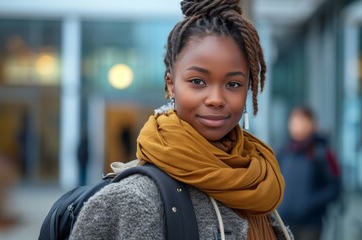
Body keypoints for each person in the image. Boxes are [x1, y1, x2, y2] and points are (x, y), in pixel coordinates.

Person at [70, 0, 292, 239]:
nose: (216, 99)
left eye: (233, 84)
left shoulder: (257, 180)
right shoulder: (134, 200)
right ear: (171, 84)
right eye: (198, 81)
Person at [277, 106, 341, 240]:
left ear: (312, 124)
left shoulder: (323, 153)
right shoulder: (283, 151)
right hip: (283, 221)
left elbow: (334, 189)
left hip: (310, 224)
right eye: (293, 121)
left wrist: (309, 203)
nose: (296, 125)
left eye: (301, 121)